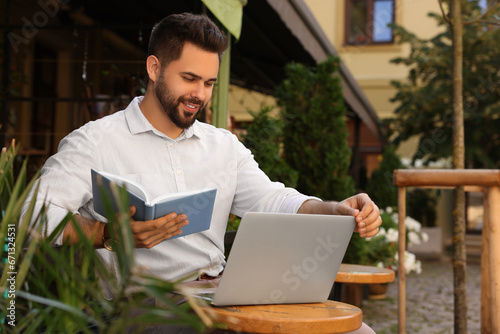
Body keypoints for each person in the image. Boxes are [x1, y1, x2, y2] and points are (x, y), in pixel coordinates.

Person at [22, 13, 380, 334]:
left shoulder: (224, 146)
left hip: (223, 295)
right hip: (142, 308)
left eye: (208, 83)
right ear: (153, 68)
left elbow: (275, 198)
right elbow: (29, 218)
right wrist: (106, 232)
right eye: (190, 78)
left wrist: (336, 209)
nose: (199, 94)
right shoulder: (94, 142)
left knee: (358, 333)